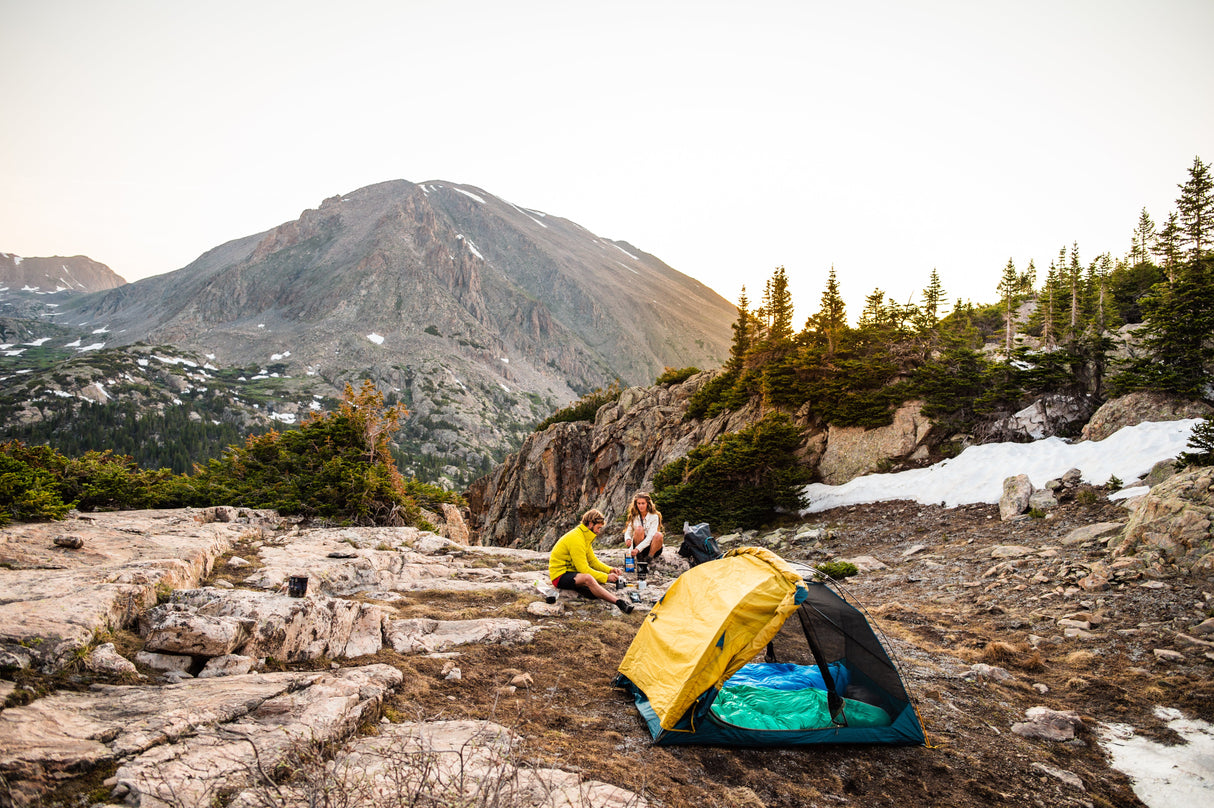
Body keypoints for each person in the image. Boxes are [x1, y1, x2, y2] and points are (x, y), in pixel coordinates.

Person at [549, 509, 634, 614]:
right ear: (590, 524)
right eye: (598, 528)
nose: (599, 531)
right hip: (559, 576)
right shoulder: (576, 538)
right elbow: (583, 569)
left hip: (571, 572)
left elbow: (593, 561)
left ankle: (585, 590)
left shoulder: (584, 536)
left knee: (592, 584)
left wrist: (610, 570)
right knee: (588, 578)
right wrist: (606, 577)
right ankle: (619, 603)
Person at [623, 492, 663, 561]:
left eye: (643, 503)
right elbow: (628, 531)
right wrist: (628, 539)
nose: (641, 506)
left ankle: (649, 558)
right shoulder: (634, 517)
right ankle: (640, 557)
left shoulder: (654, 517)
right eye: (639, 503)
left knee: (658, 535)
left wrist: (638, 549)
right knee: (639, 529)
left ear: (647, 504)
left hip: (651, 547)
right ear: (636, 504)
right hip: (638, 547)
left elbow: (650, 537)